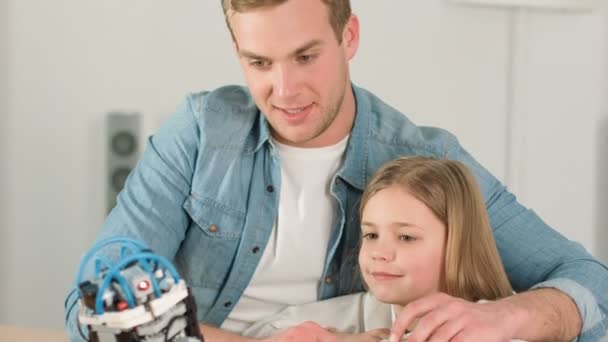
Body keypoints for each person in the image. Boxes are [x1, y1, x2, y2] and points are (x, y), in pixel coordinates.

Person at [64, 0, 608, 341]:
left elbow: (592, 284)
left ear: (348, 37)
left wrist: (505, 319)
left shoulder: (427, 162)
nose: (285, 90)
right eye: (259, 63)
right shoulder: (199, 133)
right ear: (237, 51)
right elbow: (90, 307)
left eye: (305, 57)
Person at [240, 156, 523, 342]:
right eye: (371, 234)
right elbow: (270, 332)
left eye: (406, 238)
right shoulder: (346, 318)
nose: (380, 252)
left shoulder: (506, 328)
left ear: (459, 241)